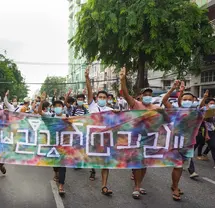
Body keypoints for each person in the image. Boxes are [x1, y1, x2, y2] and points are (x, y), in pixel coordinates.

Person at [120, 66, 159, 199]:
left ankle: (139, 184)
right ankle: (136, 187)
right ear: (141, 96)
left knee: (145, 164)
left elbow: (168, 116)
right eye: (145, 94)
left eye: (150, 94)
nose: (148, 96)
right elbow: (125, 94)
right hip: (136, 138)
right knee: (138, 162)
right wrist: (122, 80)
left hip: (150, 138)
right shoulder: (136, 104)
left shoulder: (155, 107)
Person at [162, 80, 198, 201]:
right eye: (185, 99)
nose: (187, 101)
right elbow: (164, 101)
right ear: (181, 100)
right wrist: (173, 89)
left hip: (188, 144)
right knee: (177, 166)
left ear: (193, 101)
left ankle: (174, 185)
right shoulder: (175, 110)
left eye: (190, 99)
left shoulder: (196, 112)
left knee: (181, 167)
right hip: (176, 143)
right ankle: (176, 188)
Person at [85, 66, 115, 196]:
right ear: (97, 98)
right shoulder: (92, 106)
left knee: (105, 163)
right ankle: (92, 169)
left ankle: (104, 186)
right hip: (93, 139)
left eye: (104, 97)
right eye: (100, 96)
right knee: (94, 160)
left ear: (107, 99)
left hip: (106, 140)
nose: (102, 98)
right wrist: (87, 78)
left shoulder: (110, 109)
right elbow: (89, 91)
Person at [38, 92, 67, 195]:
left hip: (64, 145)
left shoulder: (67, 117)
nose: (58, 107)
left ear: (63, 107)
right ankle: (55, 172)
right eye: (56, 106)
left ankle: (61, 185)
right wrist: (41, 101)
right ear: (53, 108)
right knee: (55, 164)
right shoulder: (51, 116)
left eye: (60, 106)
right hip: (53, 144)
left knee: (63, 165)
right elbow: (40, 112)